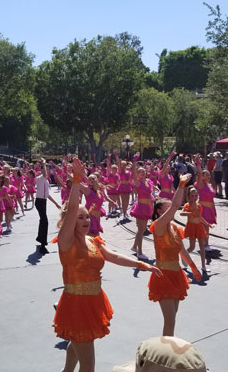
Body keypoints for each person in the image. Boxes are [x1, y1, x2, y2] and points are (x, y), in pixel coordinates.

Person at [53, 158, 161, 372]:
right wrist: (76, 180)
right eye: (79, 217)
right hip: (77, 304)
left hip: (93, 301)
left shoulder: (93, 241)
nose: (85, 220)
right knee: (89, 365)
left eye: (87, 217)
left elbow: (114, 257)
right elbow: (73, 206)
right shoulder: (66, 241)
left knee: (77, 347)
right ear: (70, 220)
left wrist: (142, 264)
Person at [150, 174, 201, 336]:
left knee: (173, 319)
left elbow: (182, 249)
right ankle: (165, 353)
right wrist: (181, 185)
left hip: (176, 274)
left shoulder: (173, 227)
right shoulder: (158, 226)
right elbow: (176, 206)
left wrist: (193, 267)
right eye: (168, 206)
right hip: (163, 275)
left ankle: (166, 346)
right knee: (170, 321)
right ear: (159, 211)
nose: (172, 207)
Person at [129, 153, 155, 260]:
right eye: (140, 172)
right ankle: (139, 252)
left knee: (143, 229)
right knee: (141, 230)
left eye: (143, 171)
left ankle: (134, 247)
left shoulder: (148, 181)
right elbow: (133, 173)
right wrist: (134, 161)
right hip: (140, 207)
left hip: (147, 206)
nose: (142, 173)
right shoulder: (138, 182)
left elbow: (150, 195)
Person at [181, 187, 213, 272]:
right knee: (192, 247)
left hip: (199, 226)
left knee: (202, 246)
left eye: (196, 196)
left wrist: (207, 224)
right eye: (192, 196)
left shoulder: (199, 205)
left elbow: (200, 217)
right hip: (191, 227)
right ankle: (184, 255)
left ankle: (203, 266)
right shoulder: (187, 205)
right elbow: (181, 213)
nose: (194, 198)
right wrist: (190, 213)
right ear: (189, 197)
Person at [35, 159, 61, 254]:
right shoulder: (40, 178)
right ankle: (43, 244)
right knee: (45, 222)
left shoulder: (45, 181)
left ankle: (40, 238)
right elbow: (45, 173)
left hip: (43, 201)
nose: (46, 170)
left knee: (43, 221)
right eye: (44, 168)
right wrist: (43, 163)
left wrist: (56, 204)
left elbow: (47, 195)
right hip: (39, 202)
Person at [194, 155, 217, 252]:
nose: (208, 176)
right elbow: (199, 173)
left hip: (210, 208)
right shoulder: (201, 184)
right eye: (206, 174)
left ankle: (204, 242)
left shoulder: (210, 185)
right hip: (203, 207)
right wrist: (198, 163)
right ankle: (205, 244)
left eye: (209, 174)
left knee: (206, 226)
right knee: (205, 226)